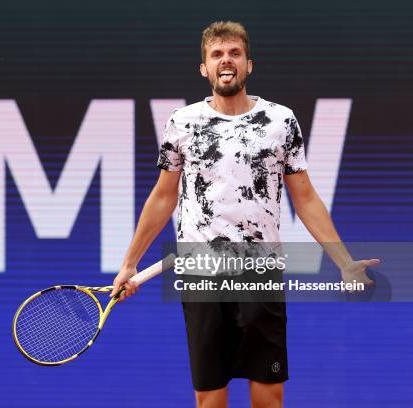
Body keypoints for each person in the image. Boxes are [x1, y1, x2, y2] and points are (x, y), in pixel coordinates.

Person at [110, 21, 380, 408]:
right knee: (210, 398)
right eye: (217, 54)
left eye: (234, 53)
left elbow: (304, 198)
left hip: (260, 270)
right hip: (200, 271)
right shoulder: (182, 123)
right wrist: (129, 263)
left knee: (268, 396)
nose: (226, 60)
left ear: (248, 65)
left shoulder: (280, 121)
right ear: (204, 68)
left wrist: (344, 261)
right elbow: (162, 197)